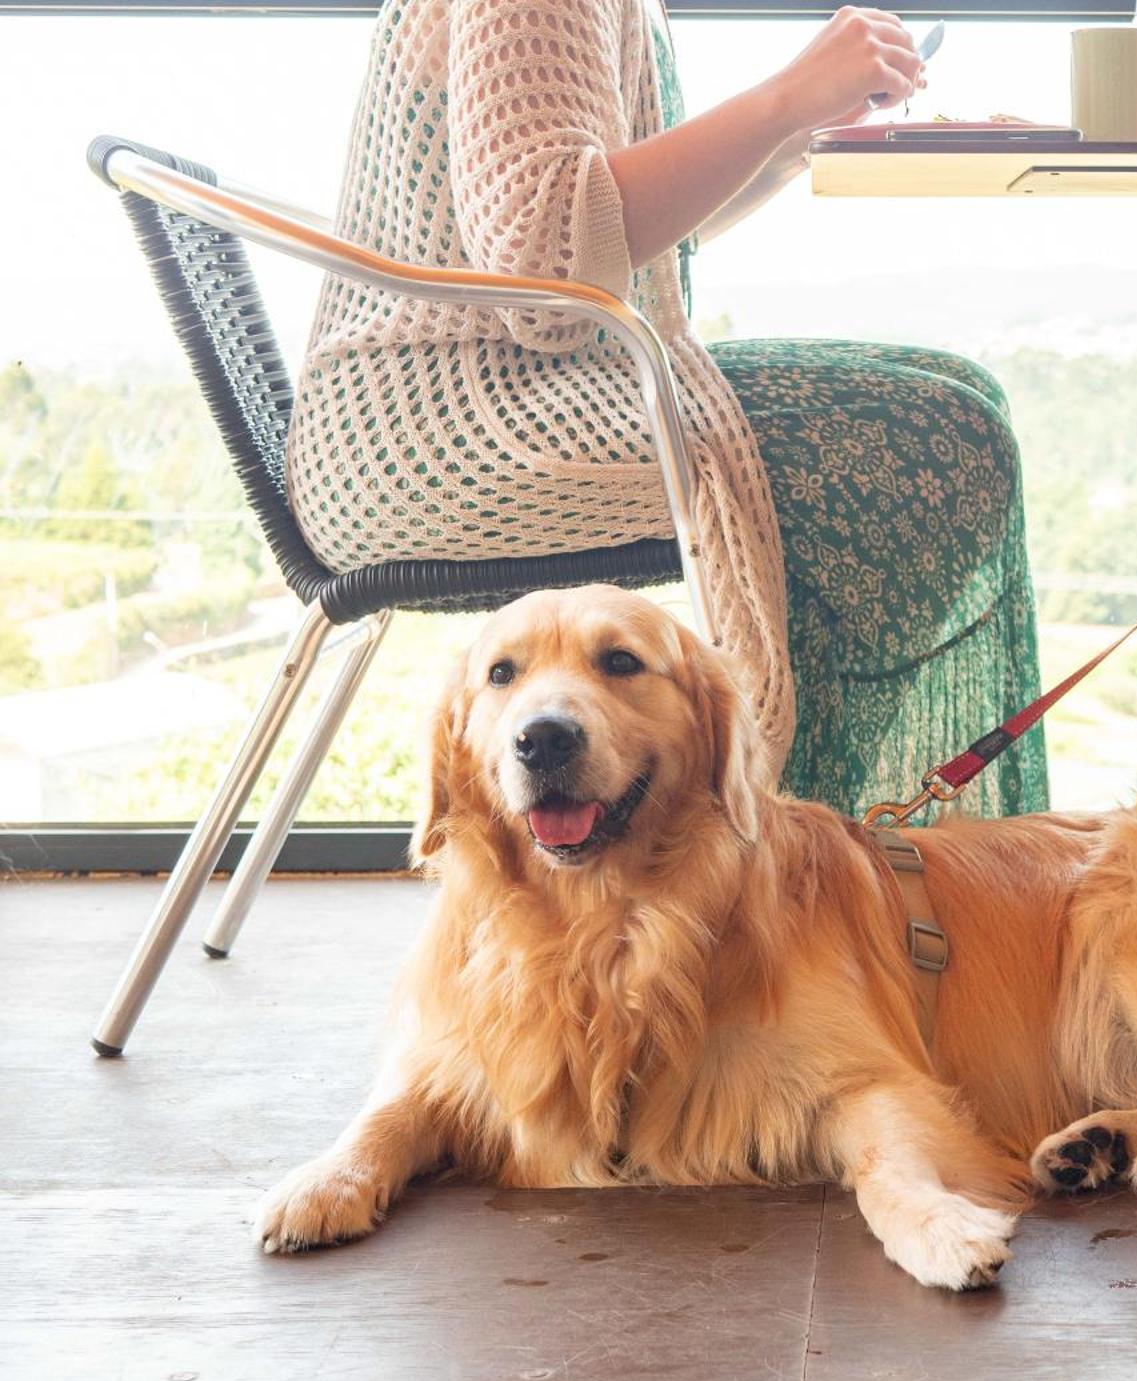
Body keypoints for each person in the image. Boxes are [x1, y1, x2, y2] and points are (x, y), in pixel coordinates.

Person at [288, 1, 1048, 819]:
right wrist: (788, 94)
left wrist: (792, 134)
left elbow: (617, 239)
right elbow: (552, 259)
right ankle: (805, 867)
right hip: (454, 428)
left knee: (957, 394)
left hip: (482, 404)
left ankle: (840, 839)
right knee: (935, 439)